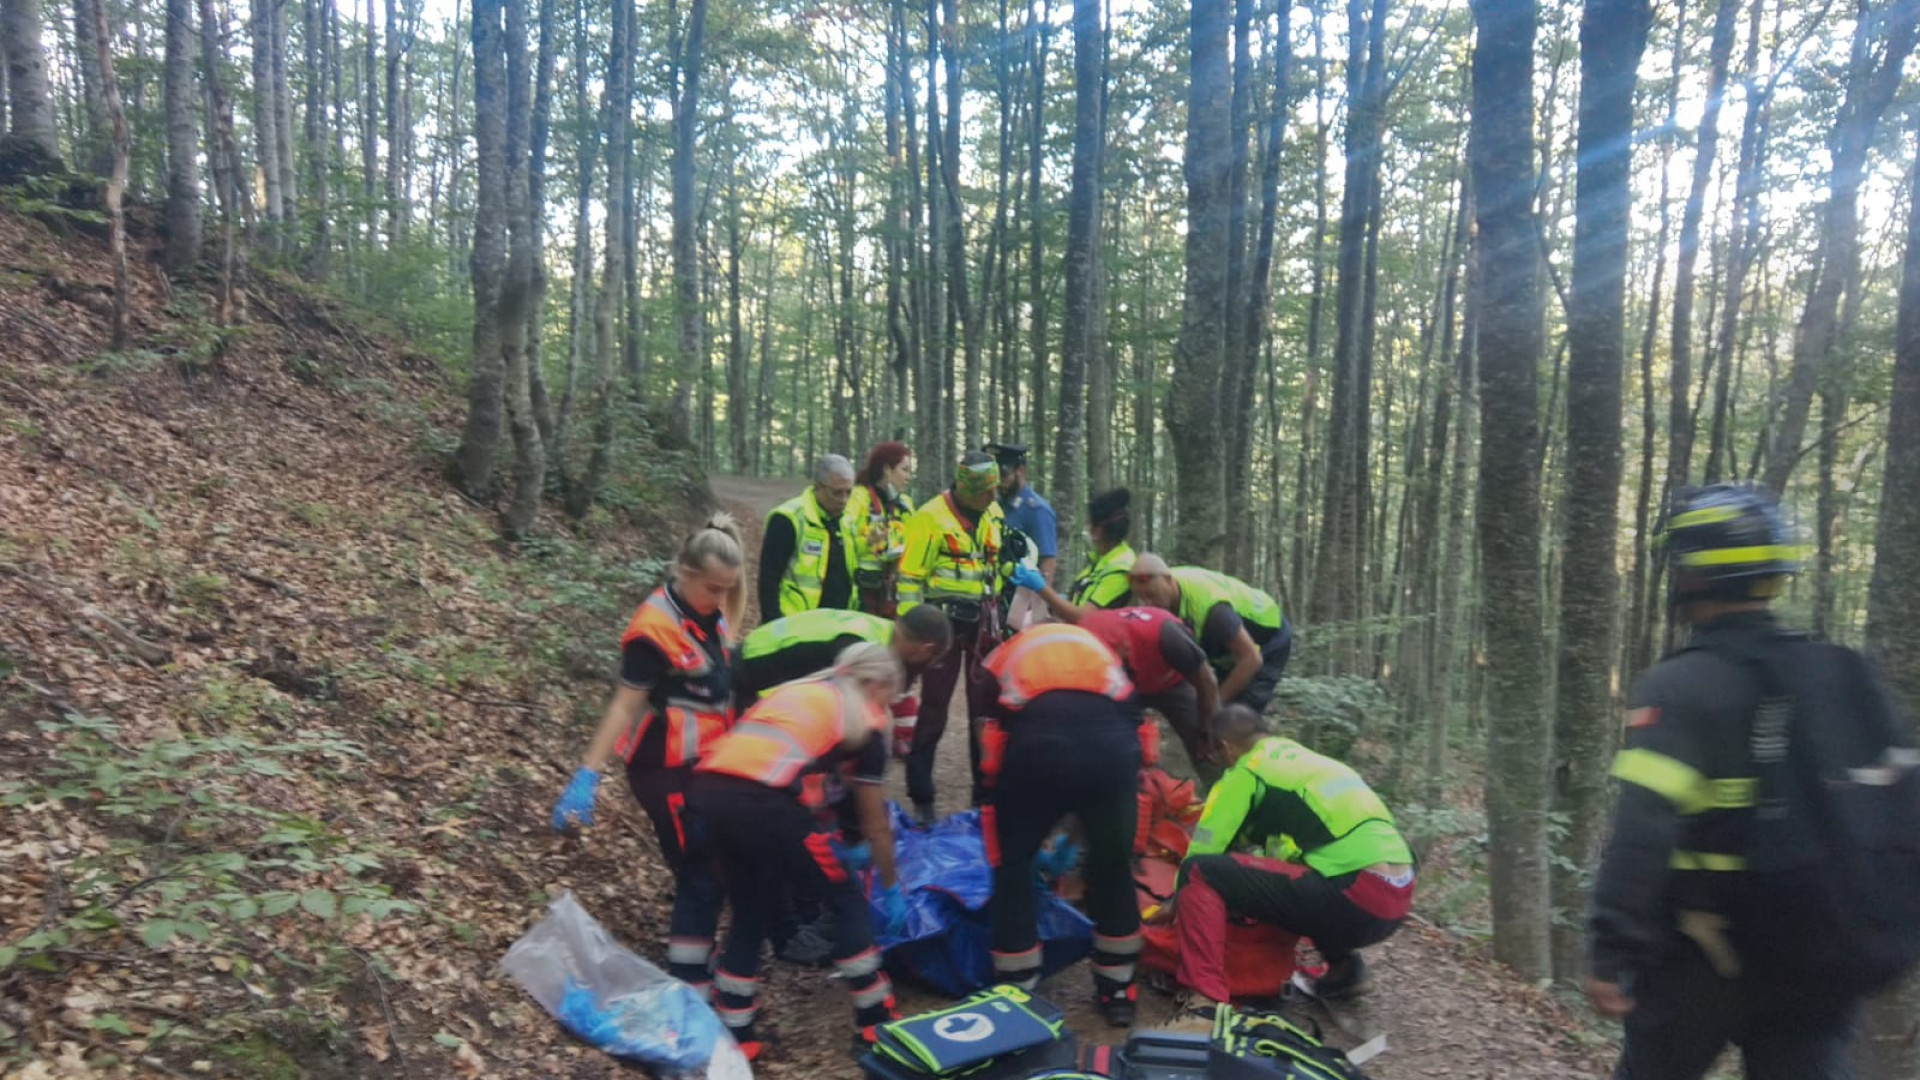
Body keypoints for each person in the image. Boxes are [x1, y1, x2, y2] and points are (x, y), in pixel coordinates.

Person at [1586, 484, 1920, 1079]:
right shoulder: (1841, 675)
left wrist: (1611, 950)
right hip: (1818, 957)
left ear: (1689, 575)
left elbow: (1642, 833)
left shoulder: (1681, 688)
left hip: (1701, 959)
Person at [550, 515, 747, 995]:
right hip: (665, 770)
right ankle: (690, 985)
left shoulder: (712, 610)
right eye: (712, 588)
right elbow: (623, 704)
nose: (719, 599)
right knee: (701, 871)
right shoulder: (653, 630)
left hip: (706, 765)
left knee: (714, 866)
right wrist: (587, 773)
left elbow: (725, 642)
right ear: (683, 571)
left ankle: (698, 954)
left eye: (727, 589)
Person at [687, 643, 911, 1059]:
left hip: (709, 795)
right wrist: (890, 884)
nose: (889, 705)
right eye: (890, 695)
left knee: (751, 908)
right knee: (845, 899)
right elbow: (874, 821)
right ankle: (876, 1021)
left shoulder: (795, 694)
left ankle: (738, 1032)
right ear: (874, 684)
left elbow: (793, 769)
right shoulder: (863, 720)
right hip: (764, 805)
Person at [1153, 705, 1414, 1027]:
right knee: (1304, 873)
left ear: (1224, 748)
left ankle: (1204, 1000)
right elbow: (1285, 858)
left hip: (1353, 895)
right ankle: (1346, 969)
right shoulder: (1310, 762)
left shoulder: (1247, 770)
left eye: (1216, 757)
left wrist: (1174, 902)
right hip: (1397, 896)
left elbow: (1203, 849)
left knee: (1200, 872)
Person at [977, 623, 1143, 1026]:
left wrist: (992, 807)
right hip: (1114, 758)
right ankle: (1117, 989)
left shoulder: (1001, 658)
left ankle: (1018, 987)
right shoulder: (1103, 654)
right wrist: (1081, 830)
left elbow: (987, 743)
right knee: (1113, 866)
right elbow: (1132, 728)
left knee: (1013, 867)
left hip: (1035, 754)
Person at [897, 451, 1007, 823]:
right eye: (986, 492)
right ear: (966, 489)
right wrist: (911, 632)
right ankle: (922, 794)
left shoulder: (994, 513)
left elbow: (997, 564)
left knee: (984, 710)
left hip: (982, 624)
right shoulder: (929, 517)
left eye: (995, 490)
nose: (993, 498)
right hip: (941, 625)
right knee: (934, 707)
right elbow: (909, 578)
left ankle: (985, 796)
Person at [1129, 555, 1292, 714]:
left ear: (1168, 580)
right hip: (1227, 644)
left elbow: (1252, 659)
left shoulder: (1215, 612)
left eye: (1152, 596)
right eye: (1143, 599)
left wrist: (1214, 705)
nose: (1148, 604)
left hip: (1268, 637)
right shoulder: (1166, 590)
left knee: (1239, 715)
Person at [1080, 606, 1222, 785]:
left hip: (1170, 681)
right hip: (1119, 689)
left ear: (1127, 648)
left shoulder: (1167, 635)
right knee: (1104, 741)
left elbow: (1207, 682)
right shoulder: (1084, 642)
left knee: (1208, 745)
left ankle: (1224, 793)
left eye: (1120, 662)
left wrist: (1206, 730)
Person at [735, 606, 952, 707]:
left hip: (757, 646)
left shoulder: (877, 628)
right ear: (926, 649)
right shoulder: (864, 652)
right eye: (933, 660)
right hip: (751, 674)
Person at [1012, 487, 1138, 625]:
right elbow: (1079, 603)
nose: (1087, 529)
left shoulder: (1120, 569)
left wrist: (1041, 588)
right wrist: (1057, 603)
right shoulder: (1100, 561)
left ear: (1098, 531)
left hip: (1101, 644)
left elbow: (1084, 617)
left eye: (1089, 524)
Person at [760, 455, 859, 621]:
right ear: (818, 487)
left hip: (839, 623)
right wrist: (772, 623)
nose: (844, 500)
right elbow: (769, 578)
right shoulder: (788, 518)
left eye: (848, 492)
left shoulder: (848, 521)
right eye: (837, 493)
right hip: (795, 624)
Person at [848, 442, 918, 617]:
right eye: (904, 470)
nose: (908, 477)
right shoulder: (858, 498)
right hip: (863, 591)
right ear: (887, 469)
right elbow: (842, 544)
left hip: (893, 592)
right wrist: (868, 542)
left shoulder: (906, 505)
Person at [986, 442, 1058, 585]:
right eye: (996, 475)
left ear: (1021, 471)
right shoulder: (996, 506)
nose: (1000, 481)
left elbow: (1047, 562)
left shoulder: (1036, 510)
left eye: (1004, 474)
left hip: (1024, 594)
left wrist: (1039, 602)